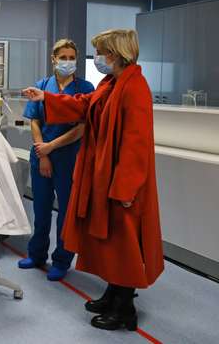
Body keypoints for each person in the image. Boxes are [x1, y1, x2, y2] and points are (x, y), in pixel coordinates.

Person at [23, 29, 164, 331]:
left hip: (121, 182)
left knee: (124, 243)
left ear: (117, 53)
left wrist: (126, 188)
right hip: (103, 174)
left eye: (101, 51)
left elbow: (136, 143)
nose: (97, 57)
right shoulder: (111, 83)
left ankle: (125, 308)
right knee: (110, 241)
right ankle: (113, 293)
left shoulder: (135, 87)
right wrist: (46, 97)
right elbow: (84, 105)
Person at [18, 39, 94, 282]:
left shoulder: (86, 88)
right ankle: (36, 254)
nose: (68, 62)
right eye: (63, 57)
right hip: (42, 156)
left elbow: (82, 128)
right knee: (40, 209)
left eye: (72, 58)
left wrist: (51, 147)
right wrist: (43, 153)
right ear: (54, 59)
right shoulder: (42, 86)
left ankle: (62, 260)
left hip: (69, 157)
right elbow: (34, 121)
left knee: (66, 213)